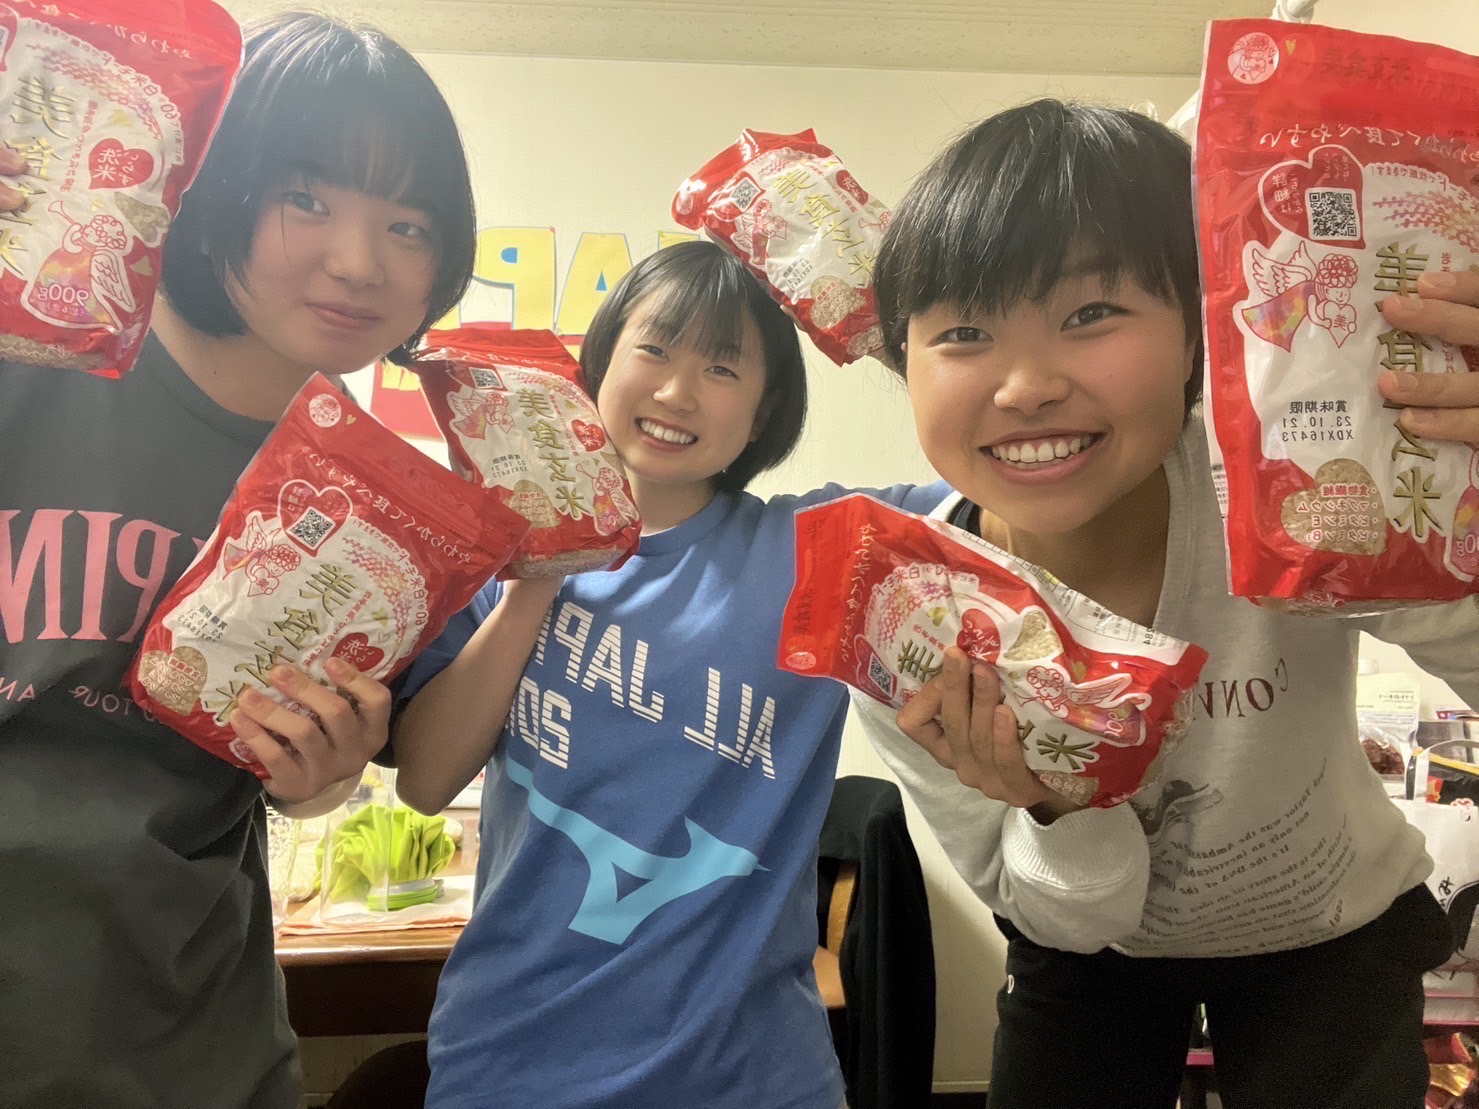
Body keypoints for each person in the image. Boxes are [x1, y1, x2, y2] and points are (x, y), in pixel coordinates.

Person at [850, 98, 1479, 1109]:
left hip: (1331, 927)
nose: (1024, 386)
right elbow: (1056, 911)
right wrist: (1057, 804)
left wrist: (1447, 490)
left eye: (1090, 313)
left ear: (1200, 333)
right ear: (902, 361)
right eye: (963, 331)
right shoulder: (908, 618)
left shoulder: (1282, 487)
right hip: (1086, 951)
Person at [0, 12, 477, 1106]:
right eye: (306, 197)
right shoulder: (39, 352)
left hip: (193, 1041)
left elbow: (280, 783)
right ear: (213, 182)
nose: (358, 262)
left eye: (408, 224)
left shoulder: (373, 511)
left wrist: (318, 776)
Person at [392, 240, 945, 1108]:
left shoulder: (821, 550)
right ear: (598, 365)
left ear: (762, 412)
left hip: (751, 1076)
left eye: (721, 368)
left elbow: (1011, 496)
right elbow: (425, 781)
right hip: (512, 1058)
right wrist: (537, 574)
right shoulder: (492, 562)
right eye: (652, 349)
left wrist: (894, 340)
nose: (677, 392)